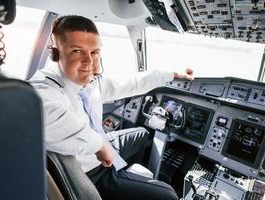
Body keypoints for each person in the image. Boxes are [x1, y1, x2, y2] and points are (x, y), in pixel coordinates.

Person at [31, 15, 194, 200]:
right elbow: (42, 113)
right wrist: (98, 145)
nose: (89, 62)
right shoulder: (44, 87)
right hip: (90, 172)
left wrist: (171, 74)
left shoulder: (90, 82)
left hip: (101, 147)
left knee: (142, 133)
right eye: (77, 51)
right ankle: (121, 181)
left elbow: (131, 83)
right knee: (168, 195)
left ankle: (125, 172)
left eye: (94, 52)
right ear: (56, 52)